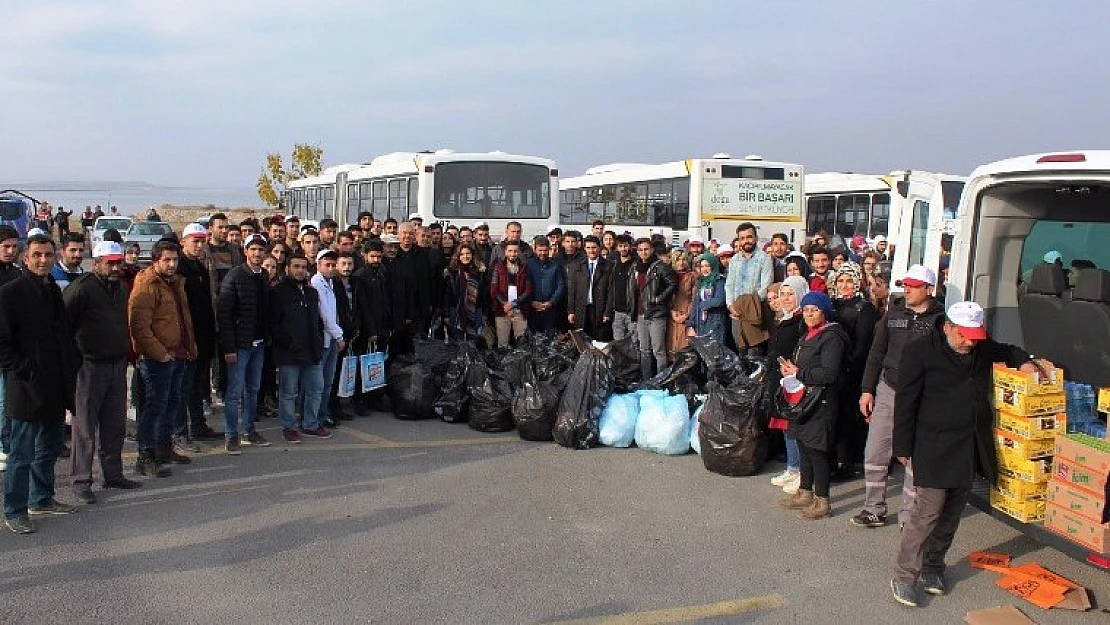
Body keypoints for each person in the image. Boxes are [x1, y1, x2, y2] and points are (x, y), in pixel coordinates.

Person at [889, 302, 1036, 608]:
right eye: (965, 336)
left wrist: (1026, 362)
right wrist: (902, 446)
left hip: (968, 443)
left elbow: (1007, 350)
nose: (970, 342)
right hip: (933, 444)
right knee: (927, 512)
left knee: (953, 511)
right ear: (948, 327)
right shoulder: (920, 352)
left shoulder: (980, 347)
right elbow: (906, 401)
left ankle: (933, 567)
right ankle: (905, 576)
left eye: (975, 337)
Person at [852, 265, 944, 529]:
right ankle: (873, 509)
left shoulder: (941, 321)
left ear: (929, 289)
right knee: (875, 452)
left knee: (914, 459)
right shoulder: (893, 314)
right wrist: (866, 390)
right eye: (905, 285)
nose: (907, 289)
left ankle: (909, 517)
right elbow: (876, 353)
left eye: (913, 286)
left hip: (921, 397)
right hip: (888, 390)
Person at [0, 234, 81, 533]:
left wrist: (72, 364)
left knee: (48, 447)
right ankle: (15, 509)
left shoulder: (51, 291)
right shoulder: (11, 293)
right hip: (27, 387)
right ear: (26, 257)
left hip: (55, 385)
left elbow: (62, 334)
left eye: (48, 255)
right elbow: (2, 343)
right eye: (37, 255)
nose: (43, 260)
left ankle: (42, 498)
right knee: (21, 454)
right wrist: (24, 369)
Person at [64, 241, 142, 503]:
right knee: (85, 427)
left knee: (114, 425)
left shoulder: (120, 287)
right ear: (96, 262)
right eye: (110, 262)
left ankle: (113, 474)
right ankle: (81, 481)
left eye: (118, 262)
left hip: (116, 364)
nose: (116, 267)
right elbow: (63, 328)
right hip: (88, 366)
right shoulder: (80, 290)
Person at [777, 291, 849, 520]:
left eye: (814, 310)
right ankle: (805, 491)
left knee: (817, 449)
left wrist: (799, 372)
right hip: (804, 399)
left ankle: (823, 500)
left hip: (821, 400)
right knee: (803, 444)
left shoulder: (832, 337)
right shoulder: (808, 333)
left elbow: (830, 372)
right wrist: (791, 369)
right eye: (806, 309)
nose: (808, 314)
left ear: (824, 312)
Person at [128, 240, 196, 477]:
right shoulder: (147, 284)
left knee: (172, 403)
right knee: (155, 406)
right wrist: (160, 353)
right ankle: (145, 455)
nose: (172, 264)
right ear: (155, 260)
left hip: (177, 353)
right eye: (166, 260)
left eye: (175, 260)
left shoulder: (175, 282)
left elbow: (182, 318)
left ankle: (163, 449)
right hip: (157, 357)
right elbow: (139, 326)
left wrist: (187, 347)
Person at [217, 233, 272, 454]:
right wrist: (229, 348)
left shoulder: (264, 276)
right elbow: (224, 314)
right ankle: (232, 435)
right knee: (234, 392)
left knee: (253, 390)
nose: (257, 253)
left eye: (261, 249)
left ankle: (249, 431)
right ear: (245, 251)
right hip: (240, 345)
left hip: (258, 344)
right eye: (253, 249)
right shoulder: (235, 276)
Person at [269, 252, 328, 443]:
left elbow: (317, 320)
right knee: (288, 392)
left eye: (303, 267)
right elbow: (274, 323)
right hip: (289, 352)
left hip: (312, 350)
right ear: (287, 268)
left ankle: (310, 424)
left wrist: (318, 341)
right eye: (296, 266)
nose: (301, 270)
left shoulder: (311, 292)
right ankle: (289, 427)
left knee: (316, 388)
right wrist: (288, 342)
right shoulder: (278, 292)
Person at [830, 263, 877, 482]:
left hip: (853, 367)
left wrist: (848, 364)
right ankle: (837, 459)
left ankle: (851, 462)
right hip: (834, 365)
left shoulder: (864, 307)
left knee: (852, 415)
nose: (844, 285)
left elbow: (863, 341)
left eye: (849, 281)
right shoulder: (832, 304)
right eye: (840, 281)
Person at [176, 224, 222, 442]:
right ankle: (181, 431)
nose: (199, 245)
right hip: (186, 338)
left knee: (197, 385)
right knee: (184, 387)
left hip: (203, 336)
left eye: (202, 241)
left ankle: (198, 426)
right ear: (183, 241)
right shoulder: (179, 268)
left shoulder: (200, 267)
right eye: (195, 241)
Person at [766, 276, 809, 495]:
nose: (786, 298)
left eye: (791, 293)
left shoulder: (803, 319)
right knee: (785, 426)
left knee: (795, 427)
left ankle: (801, 471)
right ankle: (792, 468)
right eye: (783, 294)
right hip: (781, 378)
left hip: (796, 380)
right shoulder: (784, 318)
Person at [629, 237, 677, 380]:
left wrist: (659, 298)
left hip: (656, 313)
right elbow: (632, 291)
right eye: (640, 250)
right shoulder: (635, 267)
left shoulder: (661, 266)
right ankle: (646, 380)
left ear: (652, 250)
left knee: (659, 351)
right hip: (640, 313)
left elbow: (673, 284)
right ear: (637, 252)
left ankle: (660, 379)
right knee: (644, 350)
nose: (644, 252)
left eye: (646, 249)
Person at [353, 240, 392, 413]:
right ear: (365, 256)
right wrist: (371, 331)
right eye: (372, 256)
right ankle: (359, 400)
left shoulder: (382, 272)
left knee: (377, 365)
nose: (376, 259)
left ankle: (373, 398)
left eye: (378, 256)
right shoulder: (361, 276)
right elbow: (363, 306)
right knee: (364, 365)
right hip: (369, 330)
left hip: (382, 326)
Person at [724, 223, 773, 356]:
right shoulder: (734, 260)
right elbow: (729, 285)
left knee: (754, 354)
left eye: (749, 237)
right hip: (736, 315)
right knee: (740, 353)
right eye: (742, 238)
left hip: (754, 314)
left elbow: (765, 288)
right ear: (739, 240)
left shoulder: (765, 259)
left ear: (756, 238)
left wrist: (746, 306)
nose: (746, 241)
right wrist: (730, 305)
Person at [311, 249, 344, 429]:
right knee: (318, 383)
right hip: (325, 338)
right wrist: (339, 335)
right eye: (327, 265)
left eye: (333, 265)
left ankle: (323, 415)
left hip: (332, 338)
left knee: (328, 382)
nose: (331, 268)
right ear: (318, 265)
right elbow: (324, 315)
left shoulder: (330, 283)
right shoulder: (316, 283)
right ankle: (314, 417)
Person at [567, 235, 612, 341]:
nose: (591, 251)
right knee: (582, 341)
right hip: (581, 308)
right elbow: (572, 290)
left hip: (599, 309)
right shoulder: (576, 265)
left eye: (594, 248)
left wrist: (607, 312)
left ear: (599, 248)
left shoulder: (608, 266)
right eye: (588, 248)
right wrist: (570, 311)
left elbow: (611, 292)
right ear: (584, 248)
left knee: (599, 341)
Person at [489, 240, 532, 347]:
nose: (513, 254)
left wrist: (513, 304)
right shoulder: (498, 267)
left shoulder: (525, 268)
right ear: (505, 252)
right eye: (510, 251)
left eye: (515, 251)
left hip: (520, 310)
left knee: (522, 343)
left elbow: (528, 290)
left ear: (519, 252)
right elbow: (493, 290)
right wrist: (505, 304)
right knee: (502, 344)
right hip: (501, 310)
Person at [442, 243, 486, 342]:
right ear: (458, 256)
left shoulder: (479, 272)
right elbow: (447, 295)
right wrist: (446, 314)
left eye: (468, 254)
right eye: (462, 254)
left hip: (475, 310)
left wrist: (484, 313)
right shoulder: (451, 273)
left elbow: (484, 294)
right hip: (456, 310)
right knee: (456, 340)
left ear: (472, 255)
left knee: (473, 340)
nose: (465, 256)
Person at [685, 252, 728, 345]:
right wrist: (691, 325)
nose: (704, 269)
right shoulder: (701, 282)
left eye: (707, 266)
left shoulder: (720, 280)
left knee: (714, 354)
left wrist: (703, 305)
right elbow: (695, 304)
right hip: (700, 324)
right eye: (702, 266)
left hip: (715, 323)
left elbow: (720, 300)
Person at [525, 237, 564, 334]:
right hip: (532, 309)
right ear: (534, 250)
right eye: (540, 250)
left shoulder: (555, 265)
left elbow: (560, 286)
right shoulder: (528, 265)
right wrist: (531, 301)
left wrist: (551, 302)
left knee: (549, 339)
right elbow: (524, 285)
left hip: (550, 309)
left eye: (545, 250)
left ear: (549, 249)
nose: (542, 253)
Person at [607, 234, 637, 344]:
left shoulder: (636, 264)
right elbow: (610, 288)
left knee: (634, 343)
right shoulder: (614, 264)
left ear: (630, 246)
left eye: (625, 246)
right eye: (620, 246)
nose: (623, 249)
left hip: (632, 311)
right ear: (617, 247)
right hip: (617, 311)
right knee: (617, 343)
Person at [669, 251, 696, 355]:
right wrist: (671, 311)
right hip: (672, 315)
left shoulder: (693, 276)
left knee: (685, 348)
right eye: (678, 260)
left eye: (683, 259)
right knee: (671, 347)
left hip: (686, 314)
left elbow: (695, 298)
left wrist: (687, 314)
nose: (681, 262)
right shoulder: (670, 275)